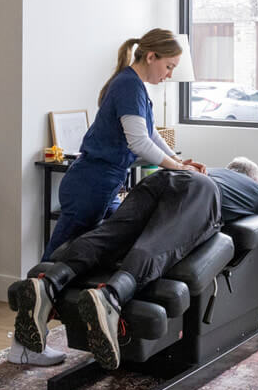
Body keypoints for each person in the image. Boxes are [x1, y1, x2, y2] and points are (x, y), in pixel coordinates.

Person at [9, 158, 258, 368]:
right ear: (254, 180)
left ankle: (48, 283)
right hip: (198, 193)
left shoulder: (215, 170)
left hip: (163, 178)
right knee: (160, 245)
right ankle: (110, 297)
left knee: (110, 234)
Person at [41, 28, 206, 261]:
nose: (169, 74)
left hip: (107, 183)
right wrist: (176, 168)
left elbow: (150, 134)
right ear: (151, 57)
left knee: (116, 240)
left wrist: (178, 161)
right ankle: (34, 292)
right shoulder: (128, 86)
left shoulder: (135, 86)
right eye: (169, 66)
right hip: (91, 184)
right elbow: (139, 142)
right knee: (61, 254)